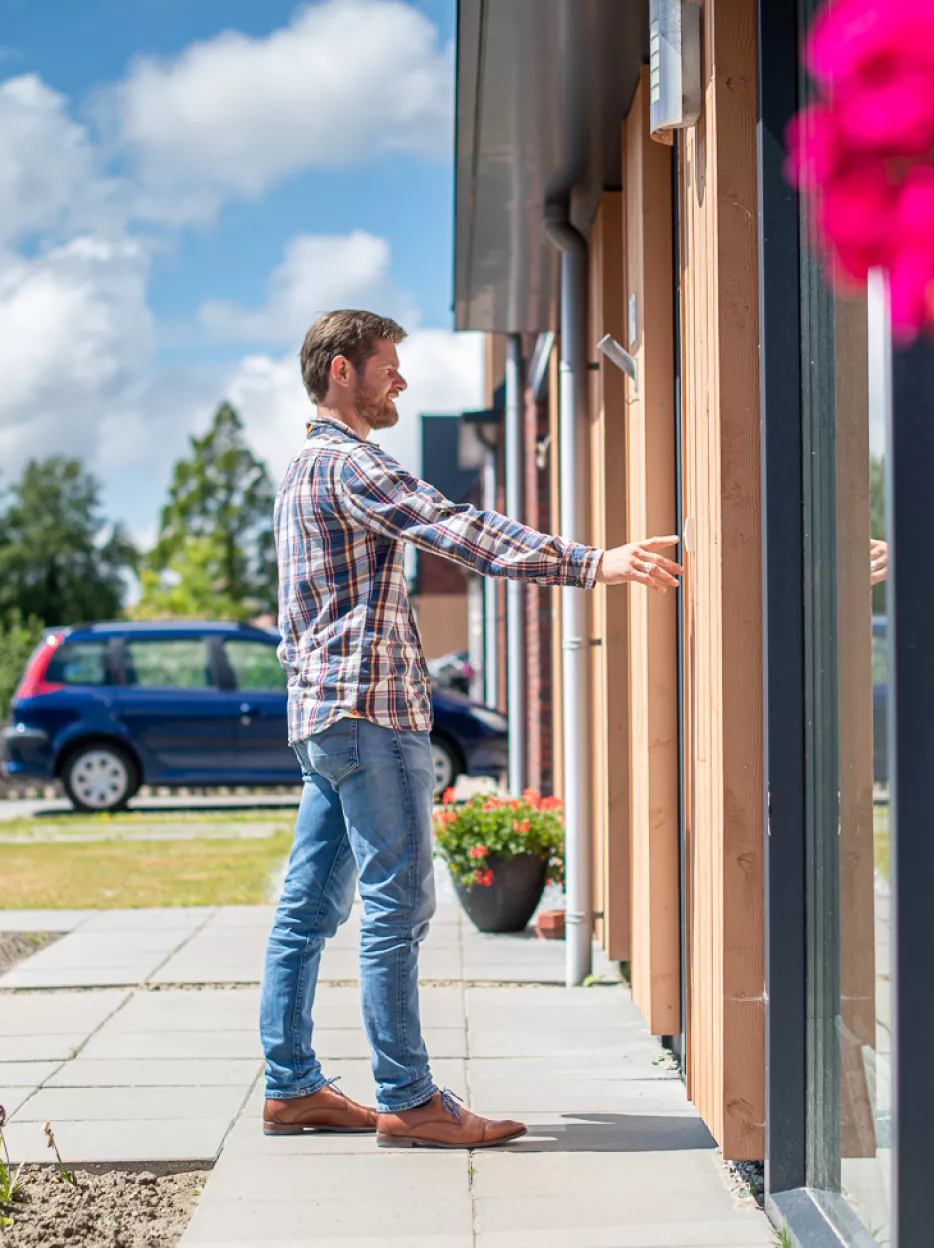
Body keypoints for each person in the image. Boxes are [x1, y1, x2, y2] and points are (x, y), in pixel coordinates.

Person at [260, 310, 683, 1149]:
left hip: (323, 721)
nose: (400, 383)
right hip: (370, 720)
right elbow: (462, 529)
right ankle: (409, 1100)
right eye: (388, 367)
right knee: (396, 909)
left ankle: (291, 1085)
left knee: (306, 911)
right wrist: (596, 562)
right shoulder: (349, 465)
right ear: (342, 371)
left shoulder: (299, 471)